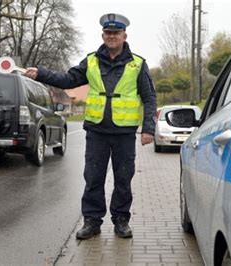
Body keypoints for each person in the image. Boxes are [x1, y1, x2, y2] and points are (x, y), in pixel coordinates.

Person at [24, 13, 157, 239]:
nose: (112, 36)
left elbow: (149, 97)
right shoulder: (92, 61)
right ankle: (92, 221)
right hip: (97, 132)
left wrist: (148, 129)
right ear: (102, 34)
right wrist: (41, 73)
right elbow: (68, 80)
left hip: (124, 133)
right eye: (108, 33)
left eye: (116, 33)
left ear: (124, 35)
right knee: (93, 178)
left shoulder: (137, 64)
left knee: (123, 179)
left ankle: (121, 220)